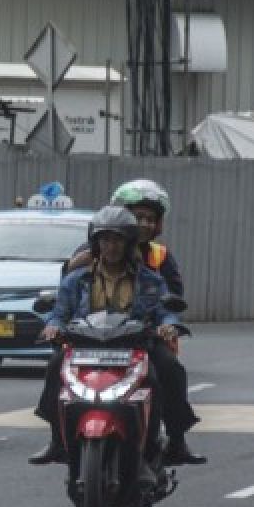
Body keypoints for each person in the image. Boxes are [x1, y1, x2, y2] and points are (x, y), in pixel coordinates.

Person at [29, 206, 206, 467]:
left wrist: (168, 325)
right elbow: (58, 313)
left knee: (168, 367)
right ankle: (57, 441)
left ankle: (175, 441)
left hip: (136, 346)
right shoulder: (76, 280)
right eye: (105, 240)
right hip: (84, 346)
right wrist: (52, 327)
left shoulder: (150, 281)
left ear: (129, 243)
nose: (110, 246)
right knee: (56, 365)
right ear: (96, 243)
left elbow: (165, 311)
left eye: (117, 240)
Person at [63, 179, 183, 297]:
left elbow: (175, 296)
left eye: (151, 220)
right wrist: (73, 265)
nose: (144, 224)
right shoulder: (93, 249)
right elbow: (66, 290)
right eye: (138, 217)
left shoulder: (160, 255)